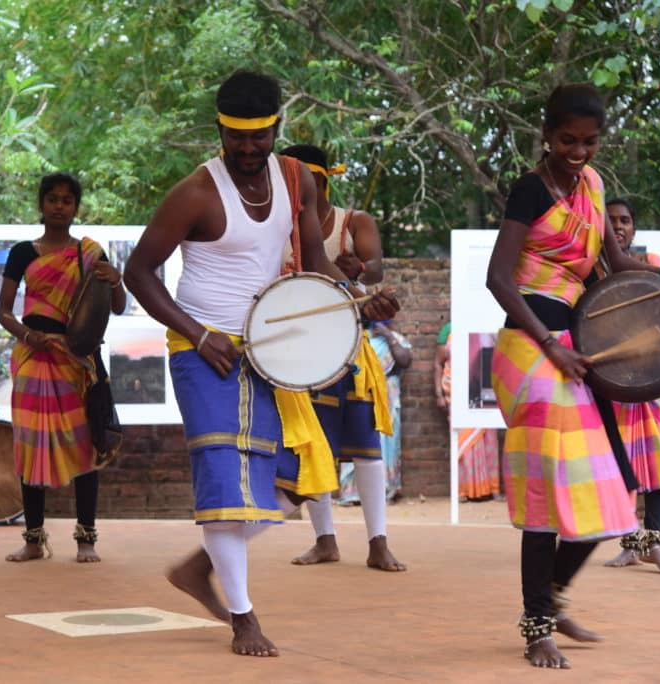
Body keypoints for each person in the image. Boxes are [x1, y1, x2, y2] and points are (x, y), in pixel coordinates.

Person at [124, 70, 397, 657]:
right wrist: (197, 336)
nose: (247, 149)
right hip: (206, 352)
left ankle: (199, 567)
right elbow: (138, 273)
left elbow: (317, 261)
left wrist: (358, 300)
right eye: (235, 137)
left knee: (294, 480)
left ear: (276, 127)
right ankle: (243, 616)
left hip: (274, 351)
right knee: (225, 475)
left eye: (259, 137)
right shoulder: (195, 192)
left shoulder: (296, 179)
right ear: (220, 129)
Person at [485, 84, 660, 669]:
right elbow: (499, 280)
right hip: (531, 348)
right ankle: (537, 624)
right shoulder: (530, 188)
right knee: (545, 492)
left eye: (589, 141)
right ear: (547, 134)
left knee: (611, 486)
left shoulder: (594, 185)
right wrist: (552, 349)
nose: (579, 151)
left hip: (578, 350)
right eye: (567, 140)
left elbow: (616, 263)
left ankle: (552, 599)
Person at [275, 143, 403, 572]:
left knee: (367, 445)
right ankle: (324, 540)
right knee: (315, 445)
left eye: (309, 182)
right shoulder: (277, 226)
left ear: (323, 180)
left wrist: (361, 272)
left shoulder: (353, 221)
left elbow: (377, 266)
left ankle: (378, 542)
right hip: (302, 353)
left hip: (350, 349)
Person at [0, 172, 126, 564]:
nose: (59, 206)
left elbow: (117, 306)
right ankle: (34, 540)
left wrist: (116, 280)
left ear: (76, 207)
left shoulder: (89, 253)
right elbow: (3, 311)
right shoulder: (22, 252)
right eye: (51, 199)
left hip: (76, 363)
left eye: (67, 200)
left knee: (84, 448)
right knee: (29, 447)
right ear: (41, 204)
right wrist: (26, 334)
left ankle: (86, 538)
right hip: (34, 359)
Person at [602, 197, 660, 574]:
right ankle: (630, 544)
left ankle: (654, 541)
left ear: (634, 228)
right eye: (611, 221)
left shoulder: (652, 267)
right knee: (622, 463)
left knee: (656, 459)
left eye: (625, 221)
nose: (619, 226)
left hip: (654, 381)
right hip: (612, 381)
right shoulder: (590, 270)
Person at [337, 320, 412, 503]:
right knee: (356, 440)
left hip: (386, 398)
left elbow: (405, 360)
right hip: (360, 394)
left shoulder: (394, 339)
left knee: (386, 444)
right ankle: (353, 493)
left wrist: (388, 336)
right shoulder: (356, 339)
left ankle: (384, 490)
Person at [434, 321, 500, 502]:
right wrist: (438, 393)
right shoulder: (448, 328)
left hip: (483, 389)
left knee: (488, 438)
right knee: (462, 437)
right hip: (456, 390)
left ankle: (492, 488)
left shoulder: (489, 325)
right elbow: (438, 363)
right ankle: (463, 490)